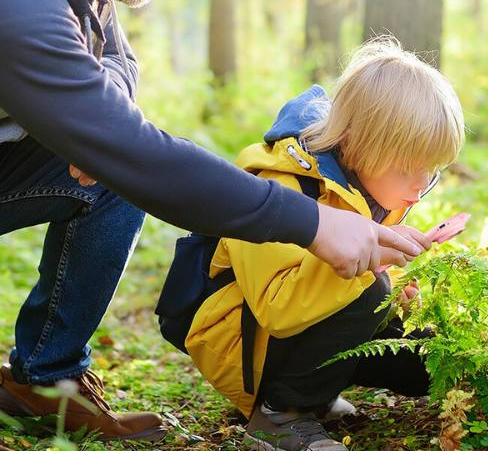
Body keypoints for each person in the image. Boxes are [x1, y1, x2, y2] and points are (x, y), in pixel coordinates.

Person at [0, 0, 428, 443]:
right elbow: (140, 154)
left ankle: (45, 382)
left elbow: (117, 58)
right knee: (128, 162)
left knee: (114, 175)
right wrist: (313, 224)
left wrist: (93, 117)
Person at [185, 38, 466, 451]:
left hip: (301, 328)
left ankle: (318, 387)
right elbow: (277, 308)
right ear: (354, 143)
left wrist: (401, 287)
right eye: (408, 168)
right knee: (372, 290)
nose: (421, 186)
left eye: (433, 170)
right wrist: (374, 267)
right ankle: (281, 413)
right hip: (245, 347)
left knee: (428, 361)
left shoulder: (369, 185)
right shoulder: (278, 187)